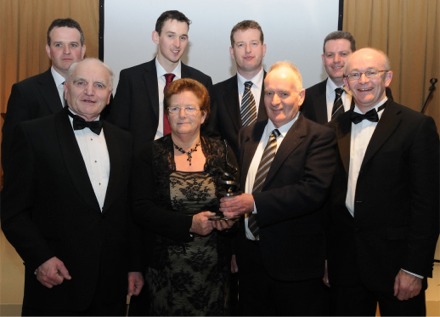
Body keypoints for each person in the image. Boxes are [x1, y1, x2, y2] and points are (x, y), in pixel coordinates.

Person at [1, 58, 144, 316]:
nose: (90, 91)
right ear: (66, 88)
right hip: (55, 281)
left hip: (110, 288)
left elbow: (128, 211)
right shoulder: (33, 134)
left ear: (109, 96)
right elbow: (13, 212)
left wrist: (134, 265)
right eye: (81, 83)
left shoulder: (124, 140)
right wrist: (40, 259)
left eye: (99, 85)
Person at [326, 48, 439, 316]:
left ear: (387, 77)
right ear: (345, 83)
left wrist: (414, 268)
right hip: (346, 265)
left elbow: (429, 203)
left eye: (371, 72)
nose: (363, 80)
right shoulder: (333, 129)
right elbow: (329, 202)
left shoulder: (416, 126)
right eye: (354, 74)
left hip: (397, 264)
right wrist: (328, 258)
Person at [219, 61, 337, 316]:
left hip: (295, 265)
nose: (275, 101)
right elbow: (241, 187)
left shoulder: (320, 137)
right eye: (269, 93)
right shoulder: (248, 133)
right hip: (250, 260)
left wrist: (255, 203)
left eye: (284, 94)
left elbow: (312, 192)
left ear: (301, 96)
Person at [131, 78, 238, 315]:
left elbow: (233, 198)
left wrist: (230, 221)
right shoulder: (149, 154)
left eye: (189, 108)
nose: (181, 114)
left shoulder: (221, 150)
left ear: (203, 115)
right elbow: (140, 208)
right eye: (174, 108)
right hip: (164, 272)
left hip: (214, 272)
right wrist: (189, 224)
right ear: (167, 114)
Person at [105, 10, 215, 153]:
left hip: (187, 165)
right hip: (143, 166)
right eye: (170, 36)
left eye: (183, 38)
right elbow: (118, 130)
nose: (177, 44)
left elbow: (209, 132)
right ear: (156, 37)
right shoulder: (131, 78)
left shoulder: (201, 81)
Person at [2, 18, 86, 170]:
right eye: (58, 45)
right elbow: (12, 151)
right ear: (48, 50)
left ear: (83, 50)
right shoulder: (25, 92)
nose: (66, 51)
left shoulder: (98, 93)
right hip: (43, 189)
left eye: (73, 45)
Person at [213, 20, 267, 157]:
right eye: (241, 44)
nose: (248, 50)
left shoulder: (281, 92)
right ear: (232, 52)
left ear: (263, 49)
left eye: (254, 44)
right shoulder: (215, 93)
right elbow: (212, 140)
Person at [301, 31, 356, 123]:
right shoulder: (307, 98)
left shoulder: (368, 93)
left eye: (343, 54)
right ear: (323, 59)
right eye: (330, 55)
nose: (336, 60)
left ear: (354, 56)